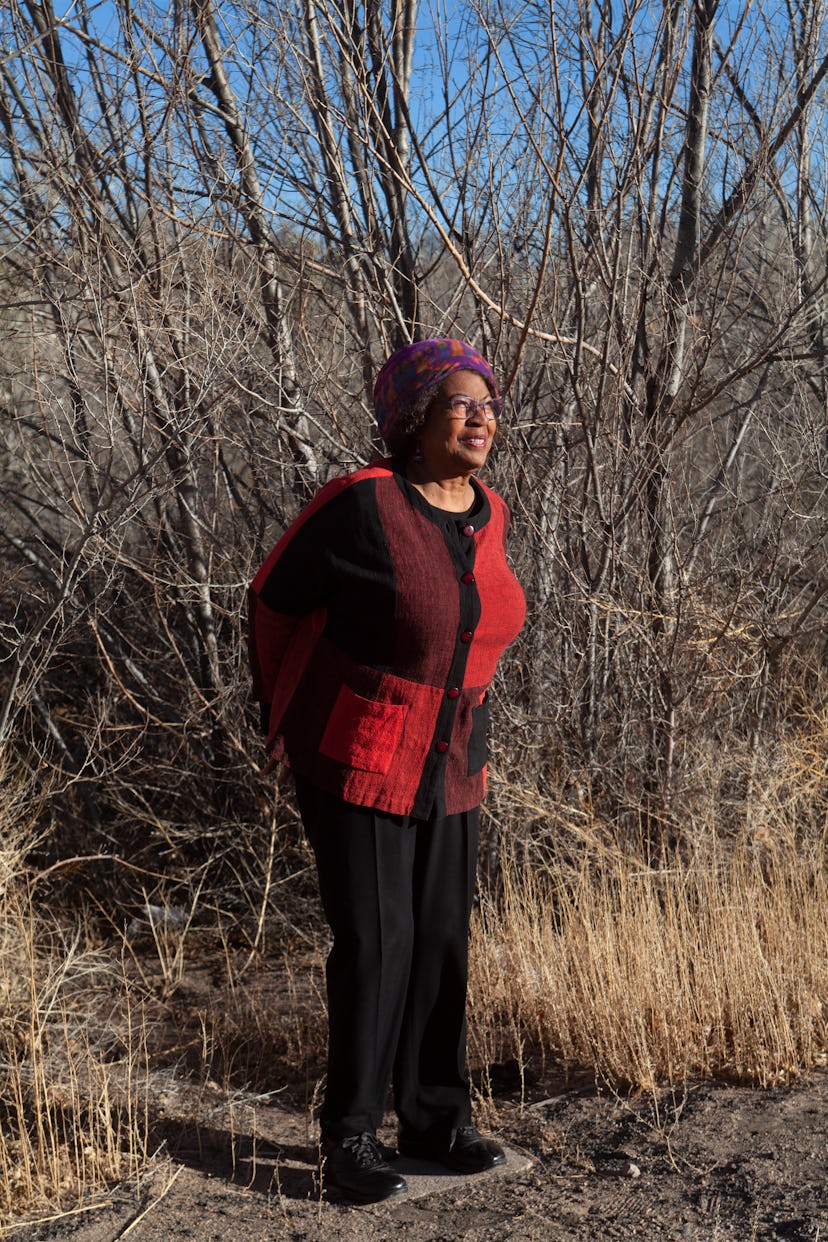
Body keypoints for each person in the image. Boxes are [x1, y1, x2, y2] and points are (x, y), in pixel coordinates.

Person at [248, 338, 526, 1203]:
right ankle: (351, 1139)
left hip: (452, 762)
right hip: (360, 758)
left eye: (487, 402)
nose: (480, 415)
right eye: (459, 401)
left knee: (441, 942)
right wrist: (289, 716)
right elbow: (272, 600)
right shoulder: (359, 504)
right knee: (377, 945)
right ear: (413, 418)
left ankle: (436, 1119)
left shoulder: (490, 511)